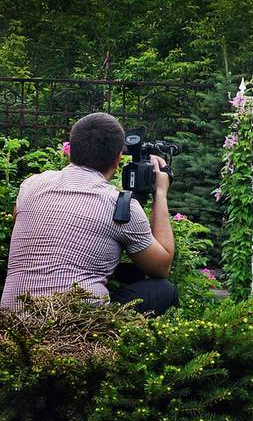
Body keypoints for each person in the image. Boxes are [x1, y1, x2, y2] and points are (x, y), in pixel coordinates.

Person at [1, 112, 178, 314]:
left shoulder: (31, 185)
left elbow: (18, 216)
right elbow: (161, 267)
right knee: (163, 289)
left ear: (70, 151)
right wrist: (160, 193)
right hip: (79, 324)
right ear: (118, 159)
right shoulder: (120, 206)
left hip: (12, 317)